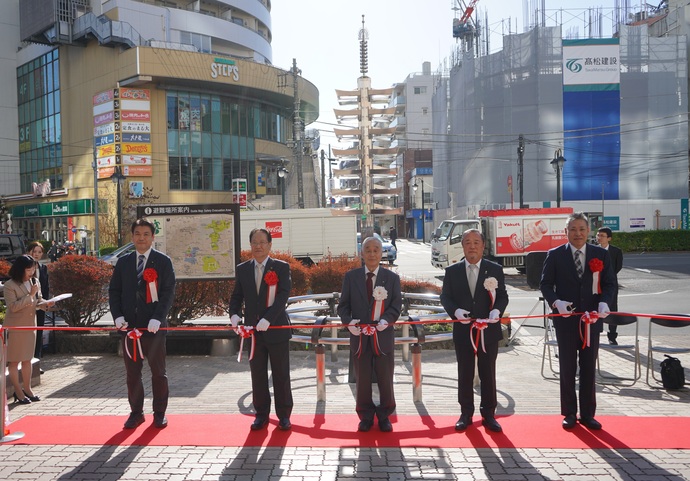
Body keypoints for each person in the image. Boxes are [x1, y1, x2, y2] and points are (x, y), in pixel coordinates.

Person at [540, 212, 615, 430]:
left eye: (582, 229)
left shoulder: (600, 254)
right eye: (573, 229)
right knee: (567, 367)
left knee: (589, 367)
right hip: (565, 321)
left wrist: (605, 303)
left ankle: (588, 414)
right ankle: (570, 413)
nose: (578, 233)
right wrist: (556, 303)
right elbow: (545, 285)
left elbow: (610, 284)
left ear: (588, 231)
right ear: (566, 232)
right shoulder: (554, 255)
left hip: (592, 321)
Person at [109, 218, 176, 429]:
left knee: (158, 372)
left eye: (146, 234)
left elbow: (168, 293)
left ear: (153, 237)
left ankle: (159, 413)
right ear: (132, 237)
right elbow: (114, 292)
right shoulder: (123, 262)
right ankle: (136, 412)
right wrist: (118, 316)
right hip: (129, 329)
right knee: (132, 373)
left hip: (154, 328)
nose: (141, 238)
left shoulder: (163, 262)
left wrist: (158, 317)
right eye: (137, 234)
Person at [440, 229, 509, 433]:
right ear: (462, 246)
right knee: (465, 372)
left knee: (488, 373)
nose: (472, 246)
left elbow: (503, 295)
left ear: (483, 245)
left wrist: (497, 310)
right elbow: (446, 297)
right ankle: (466, 413)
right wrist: (455, 311)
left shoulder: (494, 269)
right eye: (468, 242)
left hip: (488, 330)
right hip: (464, 330)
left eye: (476, 242)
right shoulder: (452, 271)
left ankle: (489, 414)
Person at [229, 228, 293, 431]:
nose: (258, 246)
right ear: (250, 245)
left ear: (269, 244)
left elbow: (283, 296)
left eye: (262, 242)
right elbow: (237, 295)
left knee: (281, 374)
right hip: (252, 332)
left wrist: (268, 318)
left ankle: (284, 416)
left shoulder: (281, 267)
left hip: (276, 329)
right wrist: (234, 314)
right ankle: (261, 414)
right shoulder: (243, 269)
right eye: (254, 242)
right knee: (257, 374)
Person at [338, 235, 402, 432]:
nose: (372, 253)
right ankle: (365, 415)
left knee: (385, 378)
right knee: (362, 378)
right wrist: (349, 323)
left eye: (376, 250)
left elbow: (396, 305)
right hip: (359, 337)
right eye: (368, 250)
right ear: (362, 253)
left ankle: (385, 415)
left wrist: (386, 320)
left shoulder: (392, 278)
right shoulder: (351, 277)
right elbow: (343, 307)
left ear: (381, 253)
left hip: (382, 337)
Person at [3, 255, 53, 404]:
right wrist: (30, 295)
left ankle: (28, 389)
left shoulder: (35, 281)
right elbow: (13, 307)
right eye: (28, 269)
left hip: (31, 325)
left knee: (27, 360)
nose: (32, 272)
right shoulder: (9, 285)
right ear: (20, 269)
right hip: (16, 327)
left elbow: (37, 301)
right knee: (14, 361)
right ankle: (18, 392)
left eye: (33, 268)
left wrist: (46, 304)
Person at [597, 227, 624, 345]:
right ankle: (596, 333)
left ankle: (612, 336)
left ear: (609, 238)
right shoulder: (593, 250)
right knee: (596, 307)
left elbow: (618, 267)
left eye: (602, 236)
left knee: (612, 308)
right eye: (598, 235)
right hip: (596, 283)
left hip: (611, 284)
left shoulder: (616, 251)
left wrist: (608, 278)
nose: (599, 237)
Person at [27, 241, 50, 363]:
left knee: (39, 333)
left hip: (40, 305)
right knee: (28, 335)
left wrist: (47, 302)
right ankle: (26, 361)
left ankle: (36, 360)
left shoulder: (43, 268)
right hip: (27, 306)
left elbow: (46, 288)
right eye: (34, 251)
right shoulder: (23, 268)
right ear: (28, 251)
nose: (36, 254)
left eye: (39, 252)